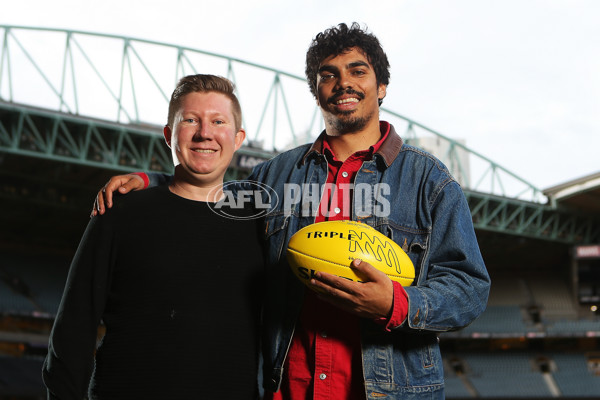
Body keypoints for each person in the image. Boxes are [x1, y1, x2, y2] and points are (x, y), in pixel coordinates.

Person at [94, 23, 490, 400]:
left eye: (358, 71)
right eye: (328, 74)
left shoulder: (428, 179)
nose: (343, 82)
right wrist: (154, 181)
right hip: (287, 389)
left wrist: (396, 304)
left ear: (381, 85)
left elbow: (469, 287)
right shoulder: (276, 174)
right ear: (316, 92)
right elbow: (209, 200)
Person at [44, 74, 265, 399]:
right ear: (168, 134)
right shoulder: (119, 213)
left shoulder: (261, 222)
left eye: (218, 121)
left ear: (238, 137)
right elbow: (73, 329)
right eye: (191, 120)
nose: (205, 133)